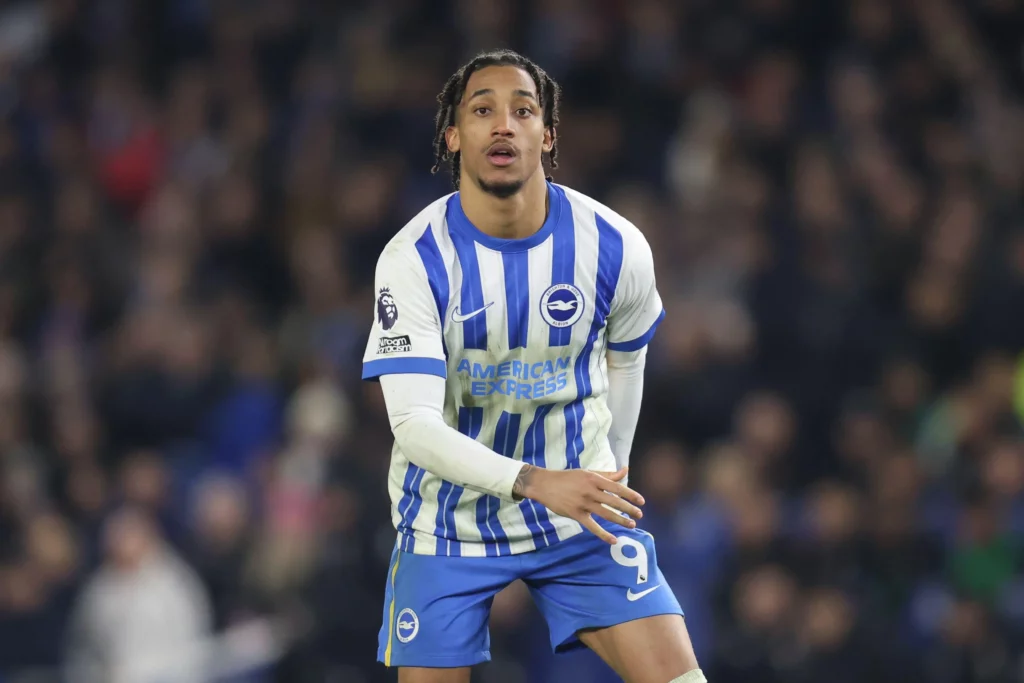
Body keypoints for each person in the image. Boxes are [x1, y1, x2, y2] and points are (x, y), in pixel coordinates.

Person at [361, 49, 704, 683]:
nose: (503, 124)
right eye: (482, 109)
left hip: (573, 517)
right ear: (453, 135)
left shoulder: (614, 244)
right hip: (448, 525)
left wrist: (607, 470)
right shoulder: (413, 260)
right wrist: (536, 480)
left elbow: (628, 359)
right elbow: (412, 425)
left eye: (522, 110)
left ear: (546, 135)